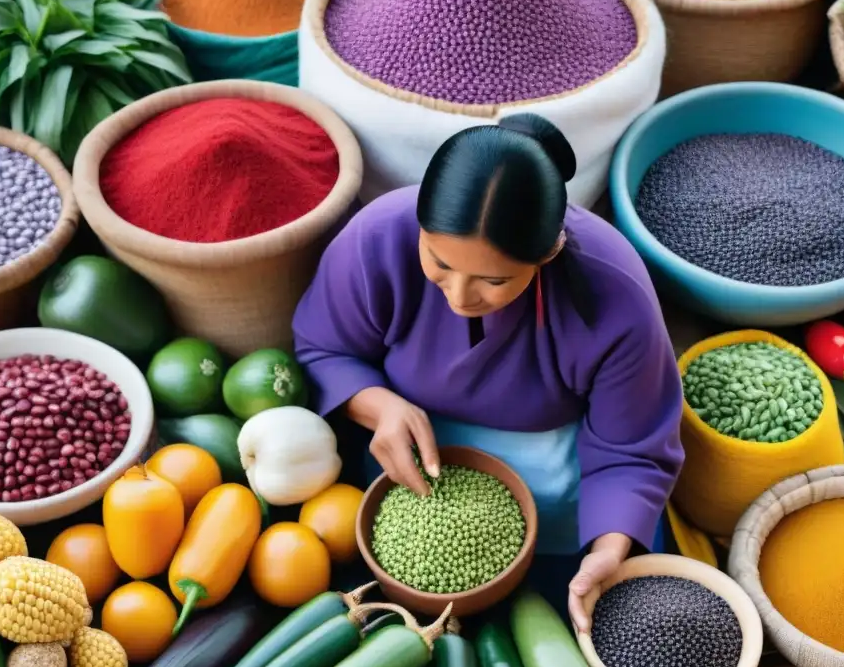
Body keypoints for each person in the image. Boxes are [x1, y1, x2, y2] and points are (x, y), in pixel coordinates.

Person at [293, 114, 684, 630]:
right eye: (438, 262)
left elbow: (631, 448)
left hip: (558, 478)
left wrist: (609, 551)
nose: (459, 297)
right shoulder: (376, 239)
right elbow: (324, 349)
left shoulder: (615, 294)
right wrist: (379, 405)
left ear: (549, 252)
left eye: (494, 280)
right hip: (400, 458)